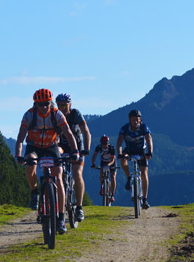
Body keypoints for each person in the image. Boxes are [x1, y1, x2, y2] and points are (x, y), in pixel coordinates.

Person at [15, 88, 80, 234]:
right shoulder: (29, 115)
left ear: (50, 102)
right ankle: (34, 192)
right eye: (41, 104)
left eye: (47, 103)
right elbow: (20, 138)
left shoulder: (57, 114)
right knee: (30, 162)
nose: (44, 107)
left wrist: (75, 151)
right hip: (34, 146)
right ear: (35, 104)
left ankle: (61, 219)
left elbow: (69, 134)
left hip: (51, 146)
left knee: (58, 177)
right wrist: (18, 155)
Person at [55, 93, 91, 222]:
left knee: (77, 173)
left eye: (65, 105)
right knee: (59, 174)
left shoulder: (76, 114)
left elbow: (86, 132)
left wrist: (86, 149)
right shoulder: (55, 115)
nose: (63, 108)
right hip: (62, 146)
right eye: (60, 106)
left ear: (70, 105)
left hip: (78, 147)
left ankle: (79, 207)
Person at [116, 109, 154, 209]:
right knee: (122, 159)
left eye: (137, 120)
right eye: (133, 120)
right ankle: (129, 177)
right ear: (130, 120)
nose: (136, 122)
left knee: (144, 173)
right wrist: (120, 153)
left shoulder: (143, 127)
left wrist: (150, 152)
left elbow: (149, 139)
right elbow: (119, 142)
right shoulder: (125, 128)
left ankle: (145, 199)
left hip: (141, 151)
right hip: (129, 150)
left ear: (140, 119)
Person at [91, 135, 117, 202]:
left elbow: (113, 159)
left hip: (112, 162)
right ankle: (102, 186)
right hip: (103, 162)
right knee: (101, 174)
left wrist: (109, 165)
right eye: (103, 144)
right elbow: (94, 156)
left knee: (113, 176)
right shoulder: (99, 147)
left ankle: (112, 195)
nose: (104, 145)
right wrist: (93, 163)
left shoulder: (111, 148)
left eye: (106, 144)